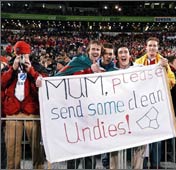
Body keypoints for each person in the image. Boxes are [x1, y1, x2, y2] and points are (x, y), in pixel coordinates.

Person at [56, 40, 103, 169]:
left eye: (98, 50)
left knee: (90, 151)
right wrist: (88, 70)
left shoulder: (100, 67)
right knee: (74, 150)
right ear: (88, 51)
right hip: (75, 114)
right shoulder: (77, 61)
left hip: (92, 115)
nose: (95, 52)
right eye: (93, 49)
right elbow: (58, 76)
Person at [1, 41, 46, 169]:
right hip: (12, 112)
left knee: (36, 147)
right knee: (11, 147)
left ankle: (39, 167)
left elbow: (44, 84)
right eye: (19, 55)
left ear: (29, 54)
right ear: (15, 54)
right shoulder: (9, 67)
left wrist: (31, 70)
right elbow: (1, 84)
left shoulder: (37, 66)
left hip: (31, 111)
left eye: (24, 55)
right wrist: (12, 69)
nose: (22, 58)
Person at [135, 36, 176, 169]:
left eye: (154, 46)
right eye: (150, 45)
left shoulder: (163, 62)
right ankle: (143, 165)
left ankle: (156, 164)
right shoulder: (138, 62)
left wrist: (165, 69)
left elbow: (172, 81)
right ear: (146, 47)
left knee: (157, 137)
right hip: (142, 105)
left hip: (158, 104)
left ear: (158, 48)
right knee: (144, 137)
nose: (152, 48)